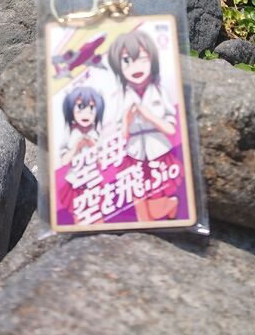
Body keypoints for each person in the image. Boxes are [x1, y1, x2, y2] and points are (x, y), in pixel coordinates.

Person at [108, 29, 182, 222]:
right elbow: (119, 137)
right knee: (139, 207)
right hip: (133, 154)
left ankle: (170, 204)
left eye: (142, 58)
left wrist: (150, 117)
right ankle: (162, 211)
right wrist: (127, 121)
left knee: (155, 205)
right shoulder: (121, 96)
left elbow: (172, 129)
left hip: (159, 152)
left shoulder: (159, 90)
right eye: (126, 60)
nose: (135, 66)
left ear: (152, 59)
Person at [58, 85, 105, 219]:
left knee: (98, 215)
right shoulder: (70, 133)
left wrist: (93, 146)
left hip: (93, 180)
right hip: (75, 181)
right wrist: (76, 147)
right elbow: (64, 161)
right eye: (80, 107)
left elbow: (103, 161)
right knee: (77, 216)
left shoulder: (96, 133)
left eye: (91, 108)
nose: (86, 114)